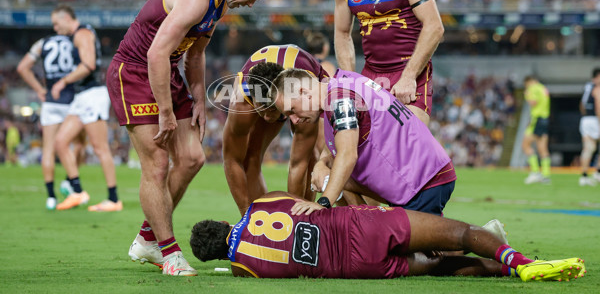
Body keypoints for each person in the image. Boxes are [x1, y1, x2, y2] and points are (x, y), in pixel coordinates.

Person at [106, 0, 278, 276]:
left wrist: (198, 99)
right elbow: (155, 52)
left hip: (165, 72)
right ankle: (168, 253)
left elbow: (195, 53)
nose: (252, 4)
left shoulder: (219, 2)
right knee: (156, 165)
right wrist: (167, 112)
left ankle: (147, 238)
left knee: (191, 158)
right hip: (134, 73)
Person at [190, 191, 586, 281]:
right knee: (461, 232)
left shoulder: (242, 269)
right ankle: (520, 262)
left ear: (218, 257)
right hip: (360, 225)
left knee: (438, 266)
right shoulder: (260, 204)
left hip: (356, 266)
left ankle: (499, 273)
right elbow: (301, 203)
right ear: (223, 224)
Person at [270, 68, 456, 216]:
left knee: (413, 260)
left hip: (422, 182)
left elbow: (348, 154)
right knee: (329, 176)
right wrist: (322, 163)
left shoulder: (338, 100)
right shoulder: (342, 81)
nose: (294, 120)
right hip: (423, 175)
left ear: (304, 93)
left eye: (291, 111)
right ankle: (366, 224)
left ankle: (480, 239)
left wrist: (324, 202)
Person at [223, 45, 328, 216]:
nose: (265, 117)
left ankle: (307, 218)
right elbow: (231, 159)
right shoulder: (241, 101)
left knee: (310, 157)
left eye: (272, 109)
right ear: (253, 99)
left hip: (299, 83)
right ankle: (257, 218)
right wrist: (246, 216)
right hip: (270, 84)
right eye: (261, 109)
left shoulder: (302, 98)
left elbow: (297, 163)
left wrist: (294, 216)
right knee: (250, 156)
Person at [47, 5, 121, 212]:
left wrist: (63, 82)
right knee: (61, 142)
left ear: (66, 18)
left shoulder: (82, 34)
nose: (55, 28)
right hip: (82, 97)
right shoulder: (78, 35)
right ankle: (77, 191)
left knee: (100, 148)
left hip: (92, 95)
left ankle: (113, 199)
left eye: (56, 23)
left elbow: (88, 65)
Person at [17, 31, 86, 210]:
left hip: (50, 102)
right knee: (79, 144)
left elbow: (22, 67)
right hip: (71, 101)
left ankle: (51, 197)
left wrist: (39, 89)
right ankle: (70, 182)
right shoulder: (75, 41)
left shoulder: (42, 43)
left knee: (48, 148)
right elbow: (85, 66)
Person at [522, 76, 551, 185]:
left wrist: (527, 96)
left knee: (525, 145)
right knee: (542, 148)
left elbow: (533, 102)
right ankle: (546, 175)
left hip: (537, 119)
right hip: (545, 119)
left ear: (529, 82)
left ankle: (535, 172)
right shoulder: (543, 88)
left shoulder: (532, 88)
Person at [578, 68, 600, 186]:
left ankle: (584, 176)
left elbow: (582, 105)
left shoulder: (587, 86)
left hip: (585, 119)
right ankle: (598, 172)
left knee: (588, 148)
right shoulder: (597, 88)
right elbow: (598, 104)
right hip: (595, 119)